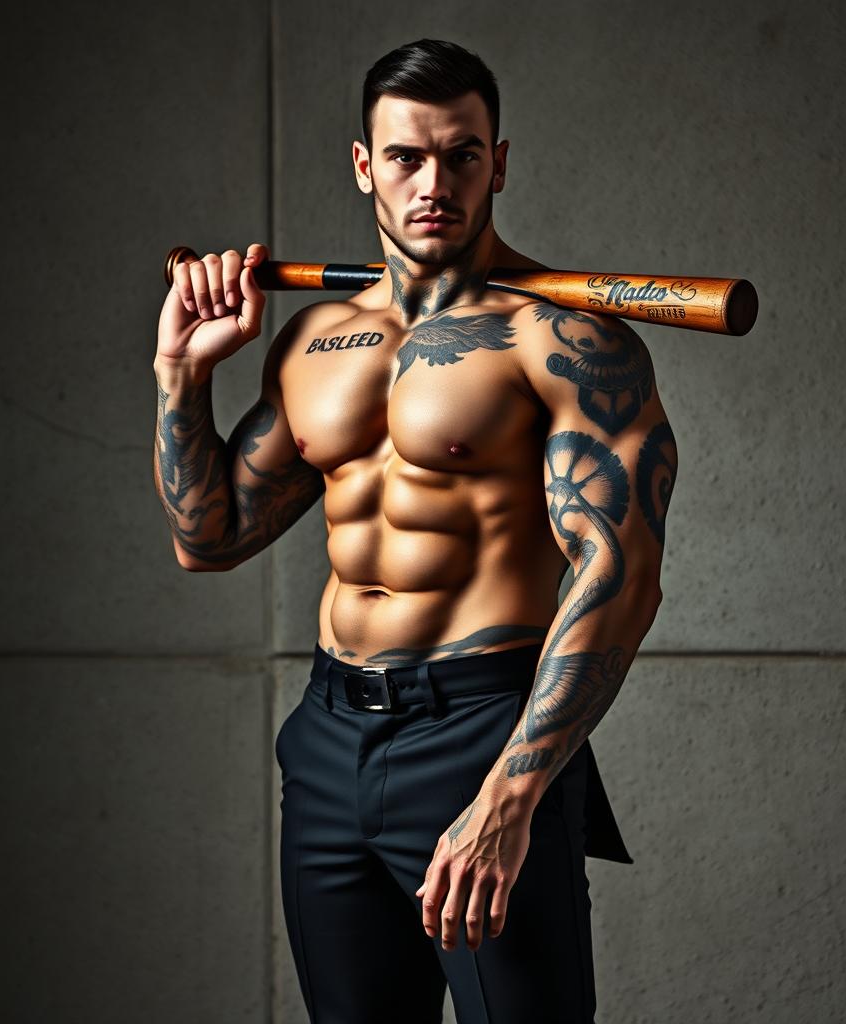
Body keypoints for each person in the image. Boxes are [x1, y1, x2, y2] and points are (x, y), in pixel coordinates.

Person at [152, 37, 677, 1024]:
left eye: (461, 155)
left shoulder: (562, 341)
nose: (433, 181)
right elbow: (207, 537)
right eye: (405, 156)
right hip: (326, 740)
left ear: (499, 162)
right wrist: (182, 376)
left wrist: (511, 795)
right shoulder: (317, 341)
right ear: (364, 164)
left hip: (482, 731)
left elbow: (621, 574)